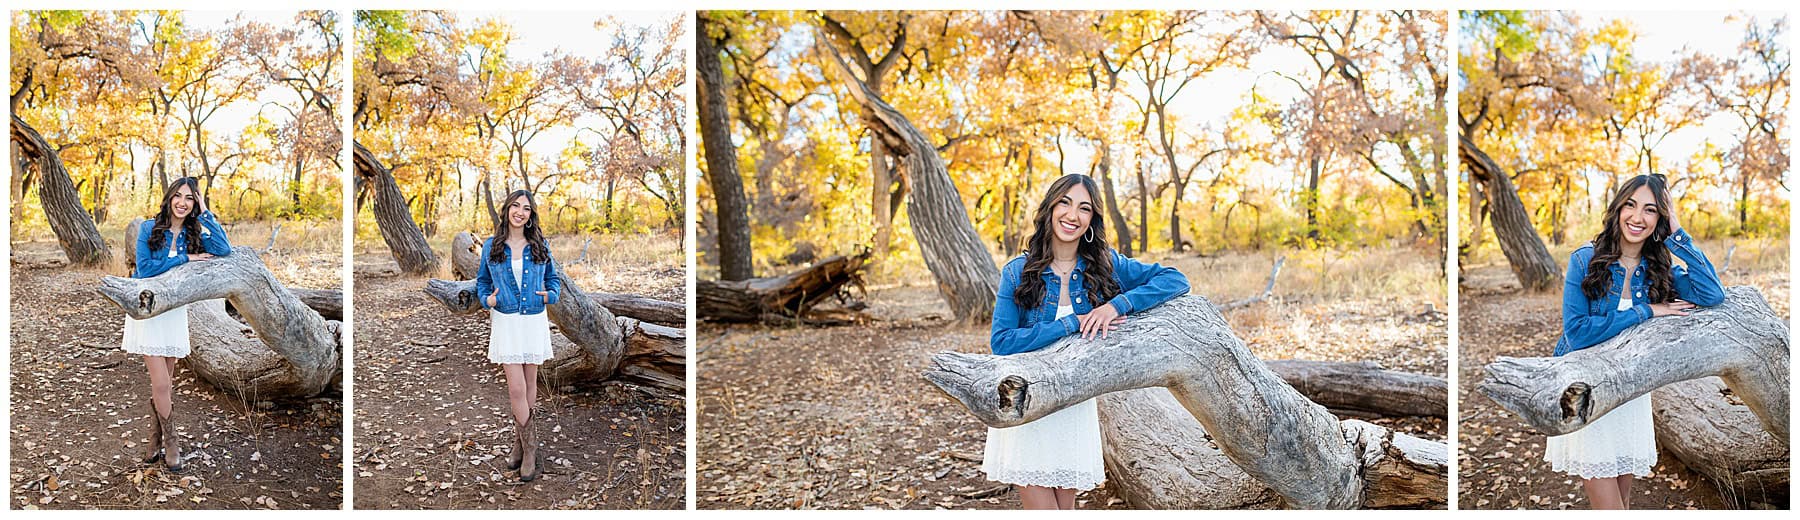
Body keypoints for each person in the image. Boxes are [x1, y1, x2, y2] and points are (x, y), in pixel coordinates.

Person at [981, 174, 1189, 509]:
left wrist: (1116, 305)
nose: (1072, 215)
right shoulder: (1017, 271)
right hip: (1028, 405)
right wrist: (1069, 324)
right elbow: (1002, 342)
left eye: (1084, 208)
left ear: (1091, 220)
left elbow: (1175, 279)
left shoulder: (1105, 265)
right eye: (1064, 202)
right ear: (1050, 208)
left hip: (1072, 408)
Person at [1544, 174, 1724, 509]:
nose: (1637, 217)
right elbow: (1579, 332)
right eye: (1630, 205)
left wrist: (1676, 233)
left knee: (1623, 503)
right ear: (1618, 207)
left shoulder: (1659, 271)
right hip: (1587, 391)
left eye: (1651, 210)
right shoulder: (1585, 260)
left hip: (1631, 395)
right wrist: (1647, 311)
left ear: (1660, 219)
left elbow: (1712, 294)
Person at [127, 177, 232, 472]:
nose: (182, 202)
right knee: (161, 383)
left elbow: (224, 250)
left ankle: (153, 440)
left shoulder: (192, 230)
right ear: (169, 197)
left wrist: (206, 212)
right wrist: (187, 258)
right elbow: (145, 268)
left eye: (190, 198)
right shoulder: (149, 229)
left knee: (166, 386)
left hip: (174, 312)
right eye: (178, 196)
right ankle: (172, 443)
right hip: (149, 310)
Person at [474, 189, 563, 482]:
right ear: (506, 210)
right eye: (515, 206)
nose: (520, 212)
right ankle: (530, 449)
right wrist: (488, 300)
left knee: (529, 386)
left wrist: (550, 295)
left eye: (526, 208)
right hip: (507, 320)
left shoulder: (539, 244)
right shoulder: (492, 246)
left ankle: (522, 447)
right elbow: (483, 282)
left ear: (530, 215)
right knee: (515, 390)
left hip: (534, 319)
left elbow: (553, 279)